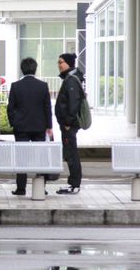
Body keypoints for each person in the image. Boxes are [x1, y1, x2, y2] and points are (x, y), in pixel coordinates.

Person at [6, 57, 52, 196]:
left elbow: (10, 108)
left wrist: (14, 122)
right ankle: (40, 187)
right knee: (41, 157)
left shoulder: (15, 86)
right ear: (35, 69)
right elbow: (47, 108)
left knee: (22, 157)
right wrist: (48, 126)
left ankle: (21, 188)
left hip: (21, 127)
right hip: (39, 126)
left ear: (22, 69)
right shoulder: (43, 86)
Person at [55, 52, 84, 195]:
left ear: (68, 63)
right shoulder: (70, 78)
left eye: (61, 62)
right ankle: (74, 183)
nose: (59, 65)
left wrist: (67, 122)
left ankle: (74, 184)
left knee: (71, 153)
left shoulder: (71, 80)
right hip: (68, 124)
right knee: (70, 152)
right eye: (58, 62)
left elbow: (73, 104)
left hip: (69, 125)